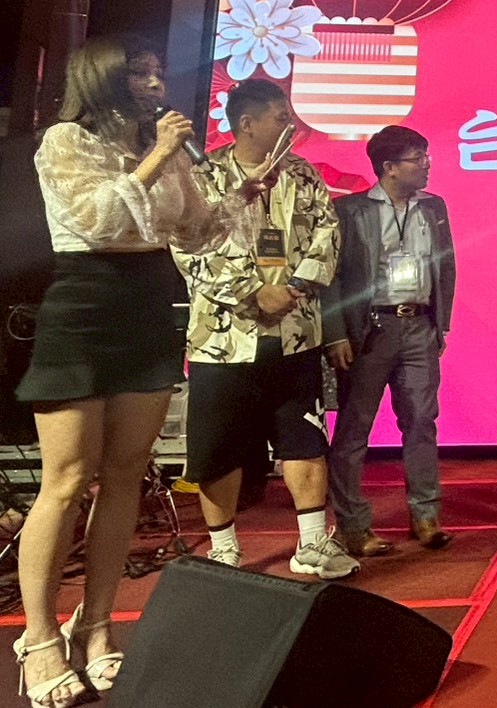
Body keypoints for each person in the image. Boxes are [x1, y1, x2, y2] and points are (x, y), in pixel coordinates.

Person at [15, 36, 258, 708]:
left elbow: (193, 232)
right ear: (104, 80)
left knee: (126, 475)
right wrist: (157, 155)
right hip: (84, 303)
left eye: (156, 73)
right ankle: (38, 638)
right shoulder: (66, 141)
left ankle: (96, 625)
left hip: (149, 303)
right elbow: (94, 220)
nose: (156, 84)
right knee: (67, 479)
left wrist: (241, 196)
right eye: (140, 74)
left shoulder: (164, 146)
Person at [171, 78, 357, 579]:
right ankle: (224, 548)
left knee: (305, 437)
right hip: (222, 340)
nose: (290, 125)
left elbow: (328, 235)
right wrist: (253, 292)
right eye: (280, 117)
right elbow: (189, 248)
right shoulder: (203, 176)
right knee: (219, 447)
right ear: (247, 124)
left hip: (295, 332)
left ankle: (313, 543)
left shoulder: (303, 174)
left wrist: (293, 288)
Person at [326, 126, 457, 557]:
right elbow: (331, 276)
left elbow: (446, 267)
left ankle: (425, 515)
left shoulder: (433, 207)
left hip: (419, 326)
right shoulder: (350, 210)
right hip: (370, 330)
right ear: (389, 167)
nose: (427, 164)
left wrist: (441, 325)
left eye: (426, 155)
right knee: (354, 428)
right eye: (418, 158)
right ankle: (354, 525)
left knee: (421, 421)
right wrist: (336, 334)